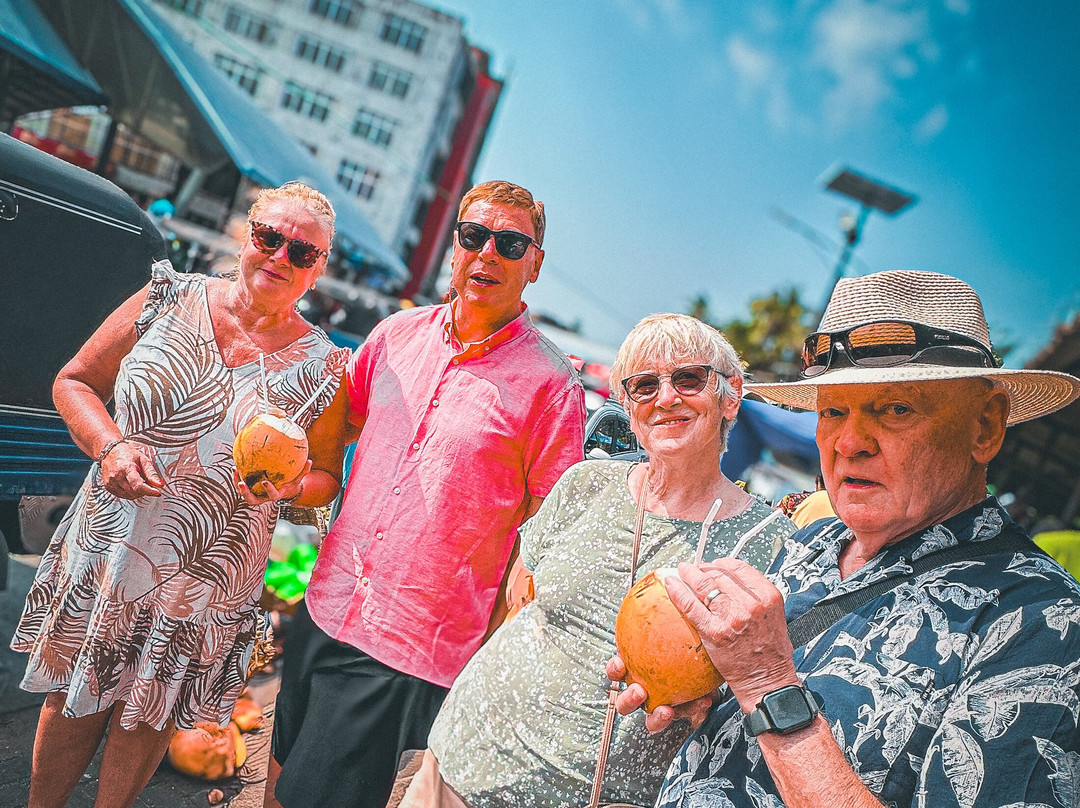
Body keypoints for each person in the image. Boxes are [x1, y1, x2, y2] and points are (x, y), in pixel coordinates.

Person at [610, 269, 1080, 807]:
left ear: (985, 427)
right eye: (833, 410)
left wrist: (768, 687)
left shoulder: (1043, 624)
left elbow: (773, 691)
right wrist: (704, 690)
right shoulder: (812, 543)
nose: (850, 441)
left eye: (896, 408)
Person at [10, 181, 351, 808]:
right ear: (244, 236)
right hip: (113, 542)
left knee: (148, 714)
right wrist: (110, 446)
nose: (280, 257)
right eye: (269, 238)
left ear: (318, 269)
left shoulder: (328, 369)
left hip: (209, 573)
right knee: (75, 691)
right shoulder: (170, 296)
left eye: (302, 252)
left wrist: (296, 483)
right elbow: (75, 382)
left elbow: (326, 475)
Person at [265, 180, 587, 808]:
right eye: (474, 236)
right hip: (327, 599)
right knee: (278, 775)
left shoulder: (553, 387)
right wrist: (310, 480)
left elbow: (546, 537)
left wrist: (501, 661)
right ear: (454, 246)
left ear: (535, 264)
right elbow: (341, 419)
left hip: (410, 639)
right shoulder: (396, 335)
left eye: (511, 242)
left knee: (313, 798)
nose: (488, 252)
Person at [394, 313, 794, 807]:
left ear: (729, 393)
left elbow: (768, 679)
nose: (666, 398)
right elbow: (518, 607)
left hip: (608, 794)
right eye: (644, 386)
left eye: (688, 379)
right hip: (462, 762)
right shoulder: (584, 484)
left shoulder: (771, 542)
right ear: (628, 410)